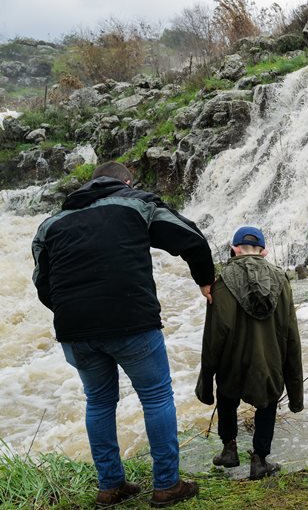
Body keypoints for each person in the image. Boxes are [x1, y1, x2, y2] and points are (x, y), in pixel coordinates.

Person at [31, 161, 214, 508]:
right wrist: (205, 280)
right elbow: (190, 238)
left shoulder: (51, 223)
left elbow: (42, 282)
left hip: (75, 328)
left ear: (90, 184)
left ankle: (110, 486)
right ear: (127, 181)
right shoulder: (136, 203)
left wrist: (72, 312)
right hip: (131, 319)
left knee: (99, 401)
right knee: (156, 397)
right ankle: (166, 486)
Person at [195, 226, 303, 480]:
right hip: (270, 360)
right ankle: (260, 460)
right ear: (263, 252)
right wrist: (296, 392)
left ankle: (229, 450)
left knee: (227, 395)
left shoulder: (221, 282)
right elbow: (291, 333)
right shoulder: (281, 280)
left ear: (234, 249)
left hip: (232, 361)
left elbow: (213, 336)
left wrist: (206, 382)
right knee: (267, 402)